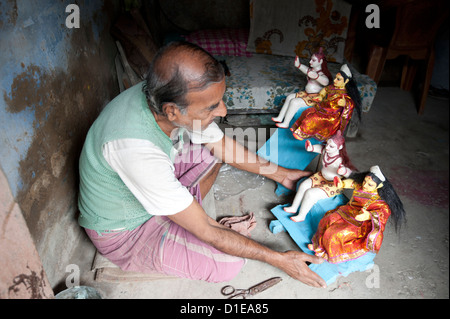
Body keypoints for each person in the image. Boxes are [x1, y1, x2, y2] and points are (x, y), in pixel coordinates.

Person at [77, 41, 327, 288]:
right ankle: (178, 217)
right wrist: (279, 259)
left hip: (145, 185)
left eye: (219, 100)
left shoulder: (163, 94)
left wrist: (283, 175)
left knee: (210, 154)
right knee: (229, 262)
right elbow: (208, 229)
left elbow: (221, 145)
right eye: (211, 107)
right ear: (172, 111)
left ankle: (179, 210)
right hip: (126, 230)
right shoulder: (136, 148)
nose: (223, 111)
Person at [308, 166, 406, 264]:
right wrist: (341, 183)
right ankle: (319, 246)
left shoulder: (379, 200)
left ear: (379, 186)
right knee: (327, 220)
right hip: (347, 211)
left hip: (359, 221)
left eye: (370, 184)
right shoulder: (360, 186)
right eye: (364, 182)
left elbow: (383, 212)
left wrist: (368, 215)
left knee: (337, 234)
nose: (365, 185)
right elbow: (352, 183)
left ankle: (327, 252)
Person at [284, 130, 356, 222]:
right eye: (327, 144)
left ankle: (301, 216)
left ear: (340, 147)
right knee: (303, 185)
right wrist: (311, 148)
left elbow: (350, 173)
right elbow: (319, 148)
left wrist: (344, 171)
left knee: (310, 193)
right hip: (321, 176)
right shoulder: (325, 150)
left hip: (333, 183)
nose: (328, 148)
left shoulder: (339, 160)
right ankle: (294, 207)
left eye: (331, 146)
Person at [290, 64, 361, 141]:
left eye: (338, 79)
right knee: (307, 112)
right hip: (322, 108)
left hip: (331, 116)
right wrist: (321, 95)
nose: (334, 80)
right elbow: (325, 90)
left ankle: (301, 134)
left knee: (313, 119)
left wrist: (345, 104)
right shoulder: (332, 87)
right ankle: (297, 128)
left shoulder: (345, 94)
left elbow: (350, 104)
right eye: (335, 78)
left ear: (346, 81)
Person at [272, 48, 332, 128]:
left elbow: (326, 82)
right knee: (290, 97)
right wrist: (299, 65)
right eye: (310, 59)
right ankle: (280, 117)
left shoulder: (321, 74)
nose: (310, 62)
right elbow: (306, 70)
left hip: (316, 97)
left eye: (313, 60)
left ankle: (286, 123)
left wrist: (316, 76)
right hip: (307, 94)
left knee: (294, 102)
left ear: (320, 62)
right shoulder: (311, 70)